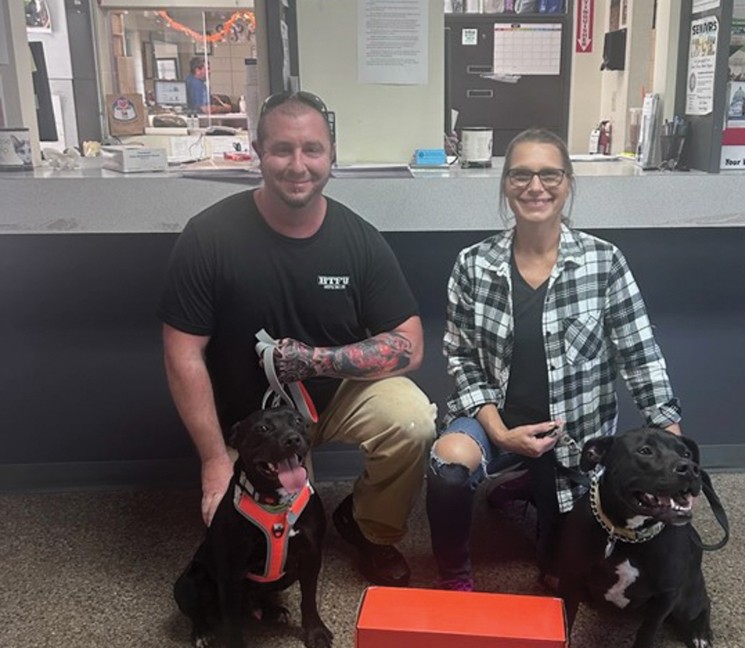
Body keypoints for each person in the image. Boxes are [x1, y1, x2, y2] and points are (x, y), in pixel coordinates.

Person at [158, 90, 437, 588]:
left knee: (412, 420)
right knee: (257, 557)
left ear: (332, 155)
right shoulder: (209, 236)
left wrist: (317, 360)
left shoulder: (360, 239)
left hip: (335, 397)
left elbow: (409, 344)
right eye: (282, 149)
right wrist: (215, 461)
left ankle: (370, 530)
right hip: (255, 419)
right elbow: (183, 351)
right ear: (257, 152)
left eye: (312, 149)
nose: (297, 165)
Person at [426, 128, 682, 592]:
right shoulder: (472, 265)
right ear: (505, 184)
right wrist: (500, 431)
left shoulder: (604, 263)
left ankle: (529, 484)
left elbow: (641, 354)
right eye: (521, 175)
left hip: (574, 436)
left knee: (557, 574)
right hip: (495, 422)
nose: (535, 187)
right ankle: (453, 577)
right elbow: (460, 357)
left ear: (568, 183)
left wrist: (673, 446)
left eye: (550, 174)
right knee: (448, 467)